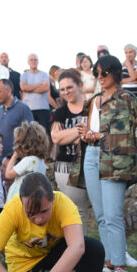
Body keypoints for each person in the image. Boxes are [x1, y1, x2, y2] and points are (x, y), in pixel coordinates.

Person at [70, 55, 137, 272]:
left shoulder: (128, 99)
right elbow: (93, 130)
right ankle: (109, 262)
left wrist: (99, 136)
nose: (100, 77)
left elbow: (132, 133)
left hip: (115, 159)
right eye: (97, 74)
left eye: (104, 73)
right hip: (91, 155)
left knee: (112, 216)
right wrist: (87, 134)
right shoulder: (95, 100)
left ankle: (120, 265)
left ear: (115, 73)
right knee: (100, 216)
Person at [0, 173, 104, 272]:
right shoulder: (12, 209)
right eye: (31, 213)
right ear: (21, 202)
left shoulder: (64, 204)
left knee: (93, 249)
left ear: (53, 198)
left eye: (44, 211)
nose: (38, 219)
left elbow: (77, 246)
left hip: (52, 251)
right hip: (23, 259)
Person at [51, 69, 93, 222]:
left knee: (103, 212)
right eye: (62, 89)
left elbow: (97, 134)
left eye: (69, 87)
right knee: (76, 212)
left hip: (92, 163)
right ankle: (80, 245)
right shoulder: (60, 113)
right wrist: (80, 130)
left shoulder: (92, 108)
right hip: (67, 166)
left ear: (79, 85)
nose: (65, 92)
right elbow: (56, 137)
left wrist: (68, 135)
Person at [5, 121, 50, 202]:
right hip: (32, 198)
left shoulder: (28, 160)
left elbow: (8, 175)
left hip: (18, 198)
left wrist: (14, 155)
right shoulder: (40, 161)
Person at [0, 79, 33, 163]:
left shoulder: (23, 108)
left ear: (9, 91)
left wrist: (14, 157)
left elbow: (31, 135)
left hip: (16, 162)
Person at [19, 53, 52, 132]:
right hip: (28, 109)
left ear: (38, 62)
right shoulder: (24, 75)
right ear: (28, 62)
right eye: (31, 60)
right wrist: (38, 85)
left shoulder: (44, 74)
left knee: (44, 133)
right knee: (29, 133)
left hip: (43, 108)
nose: (33, 61)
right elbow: (23, 87)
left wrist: (29, 88)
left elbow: (46, 88)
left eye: (35, 60)